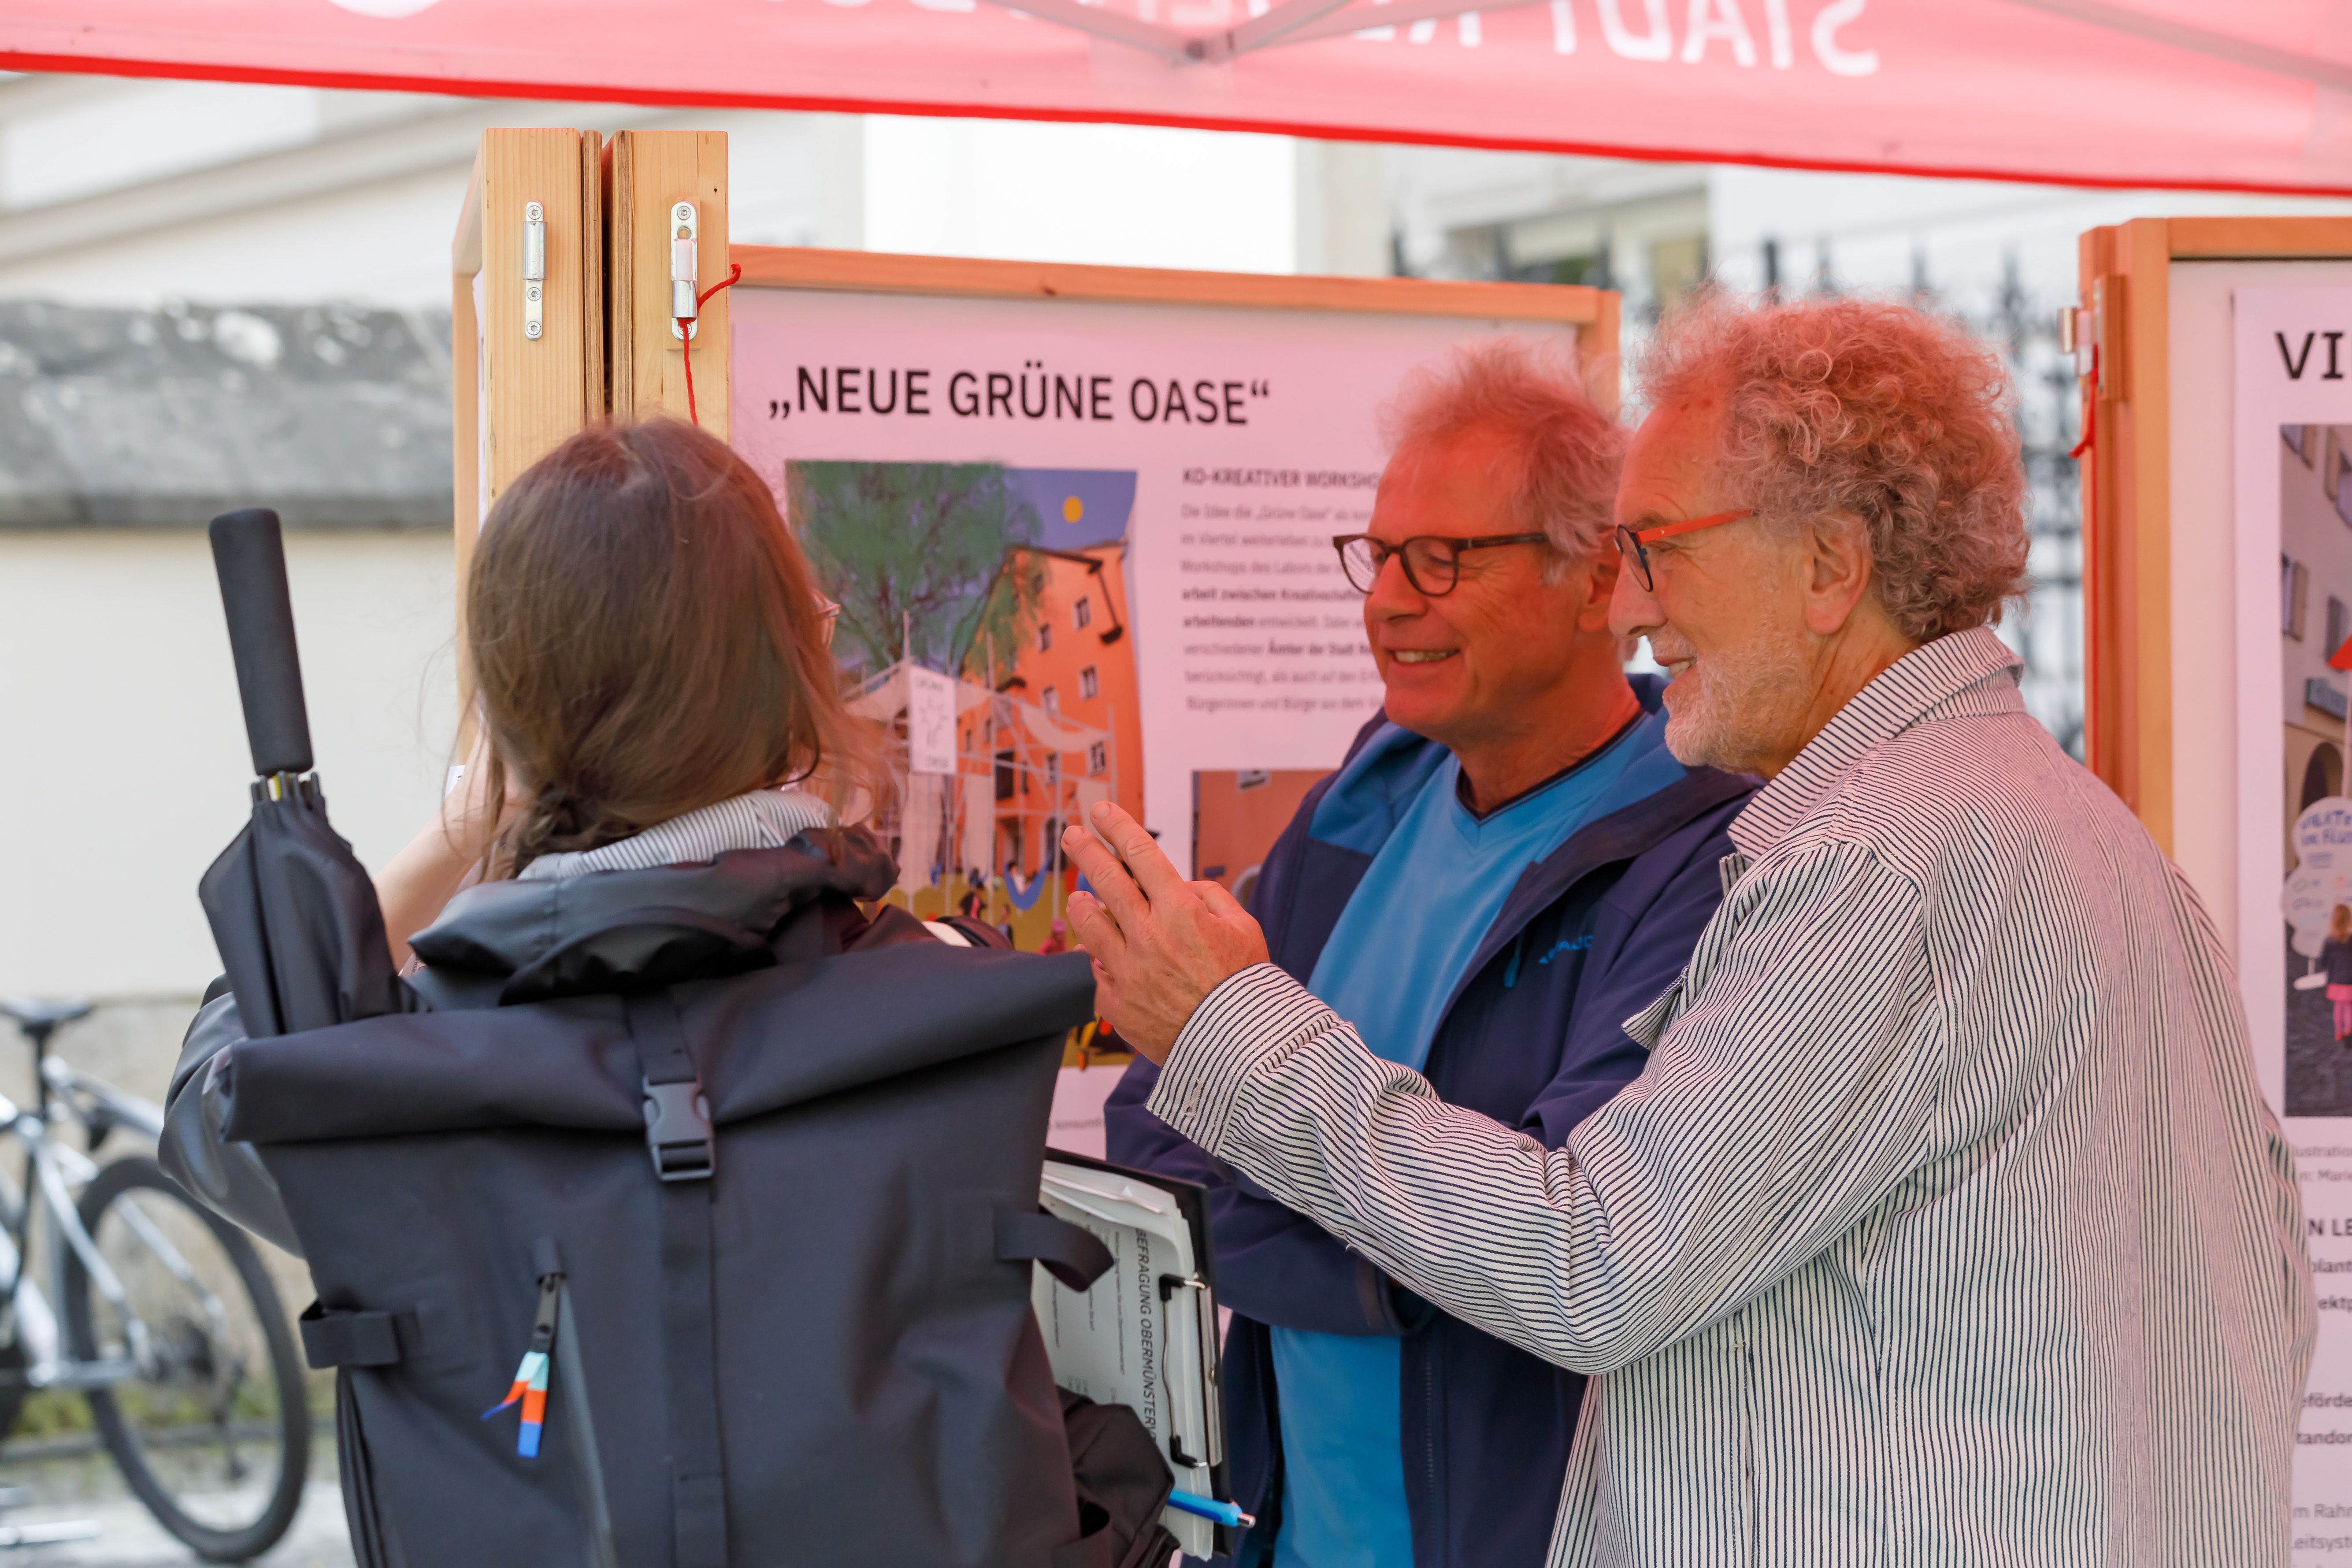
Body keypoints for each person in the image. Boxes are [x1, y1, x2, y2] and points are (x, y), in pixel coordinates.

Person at [1063, 295, 2313, 1566]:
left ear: (1828, 566)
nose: (1629, 606)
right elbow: (2267, 1286)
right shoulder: (2086, 840)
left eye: (1656, 546)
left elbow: (1590, 1260)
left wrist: (1231, 1025)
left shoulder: (1873, 863)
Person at [1104, 342, 1753, 1568]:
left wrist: (1330, 1214)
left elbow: (1563, 1241)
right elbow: (1158, 1125)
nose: (1388, 597)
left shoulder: (1700, 855)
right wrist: (1388, 1262)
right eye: (1378, 553)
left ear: (1596, 575)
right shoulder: (1368, 797)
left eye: (1442, 558)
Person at [2325, 903, 2352, 1042]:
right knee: (2347, 1006)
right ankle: (2348, 1029)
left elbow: (2323, 962)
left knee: (2338, 1007)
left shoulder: (2330, 941)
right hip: (2349, 980)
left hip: (2335, 980)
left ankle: (2338, 1032)